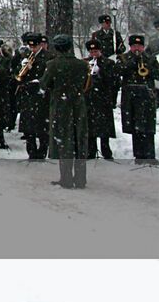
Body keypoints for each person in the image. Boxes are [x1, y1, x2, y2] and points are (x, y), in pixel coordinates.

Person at [39, 34, 90, 189]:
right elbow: (86, 84)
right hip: (78, 104)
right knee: (79, 139)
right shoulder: (82, 65)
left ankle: (66, 178)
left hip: (61, 105)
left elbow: (44, 84)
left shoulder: (52, 64)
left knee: (64, 141)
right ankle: (80, 179)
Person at [118, 34, 159, 164]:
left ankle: (150, 155)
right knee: (136, 127)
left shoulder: (150, 58)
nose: (137, 48)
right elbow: (119, 71)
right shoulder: (124, 58)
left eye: (140, 46)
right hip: (131, 98)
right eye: (134, 46)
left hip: (147, 96)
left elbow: (157, 74)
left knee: (148, 127)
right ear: (130, 46)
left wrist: (147, 65)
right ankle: (139, 156)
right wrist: (132, 63)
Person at [16, 33, 49, 159]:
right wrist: (22, 67)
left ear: (40, 45)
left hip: (40, 96)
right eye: (30, 46)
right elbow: (17, 76)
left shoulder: (47, 57)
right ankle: (31, 151)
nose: (32, 49)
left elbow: (47, 75)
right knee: (28, 126)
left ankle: (42, 151)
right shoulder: (25, 56)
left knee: (42, 126)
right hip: (27, 95)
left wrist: (34, 71)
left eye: (34, 46)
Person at [83, 39, 118, 160]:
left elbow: (113, 81)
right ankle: (91, 151)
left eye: (96, 51)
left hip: (103, 99)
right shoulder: (85, 62)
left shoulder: (108, 63)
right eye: (91, 51)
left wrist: (100, 71)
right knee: (90, 127)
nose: (94, 54)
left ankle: (106, 151)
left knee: (104, 128)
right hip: (89, 99)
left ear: (100, 51)